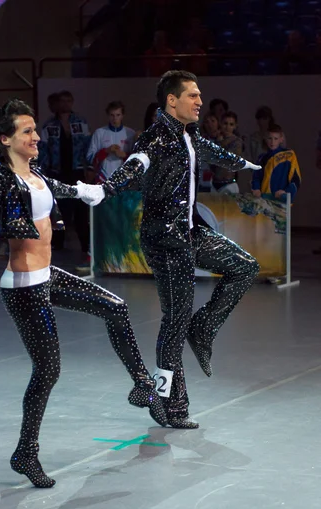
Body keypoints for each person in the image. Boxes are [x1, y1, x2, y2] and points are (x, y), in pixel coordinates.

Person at [0, 99, 167, 488]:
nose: (36, 137)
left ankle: (142, 386)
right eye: (27, 132)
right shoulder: (2, 178)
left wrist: (91, 192)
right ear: (6, 139)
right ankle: (26, 452)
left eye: (36, 130)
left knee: (116, 308)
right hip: (24, 288)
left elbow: (64, 189)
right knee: (48, 371)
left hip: (48, 275)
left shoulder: (36, 174)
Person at [99, 70, 261, 429]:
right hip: (164, 240)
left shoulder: (191, 134)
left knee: (245, 267)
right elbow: (134, 166)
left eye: (199, 95)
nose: (200, 101)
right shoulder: (155, 138)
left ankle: (202, 329)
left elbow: (212, 151)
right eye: (193, 95)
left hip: (189, 232)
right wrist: (107, 188)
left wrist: (244, 164)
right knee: (175, 320)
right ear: (172, 100)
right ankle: (170, 405)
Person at [38, 90, 92, 261]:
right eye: (62, 101)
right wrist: (43, 171)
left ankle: (86, 245)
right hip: (57, 172)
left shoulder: (81, 122)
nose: (65, 104)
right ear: (57, 103)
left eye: (69, 100)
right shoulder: (49, 125)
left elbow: (88, 146)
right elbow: (43, 150)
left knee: (81, 210)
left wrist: (89, 168)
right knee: (58, 209)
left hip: (77, 171)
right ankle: (57, 243)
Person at [86, 101, 135, 182]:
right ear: (108, 116)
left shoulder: (130, 133)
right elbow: (90, 158)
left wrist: (124, 155)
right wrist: (106, 151)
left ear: (122, 115)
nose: (115, 118)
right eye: (112, 115)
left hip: (124, 179)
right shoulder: (99, 132)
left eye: (118, 115)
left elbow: (136, 159)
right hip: (103, 178)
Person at [251, 124, 301, 201]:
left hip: (282, 198)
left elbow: (296, 178)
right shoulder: (261, 158)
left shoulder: (289, 155)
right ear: (265, 138)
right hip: (265, 199)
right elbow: (256, 177)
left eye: (276, 138)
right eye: (270, 138)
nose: (272, 142)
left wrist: (287, 191)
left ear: (281, 139)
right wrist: (256, 188)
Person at [211, 111, 243, 194]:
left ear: (235, 126)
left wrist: (220, 144)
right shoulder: (216, 139)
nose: (227, 127)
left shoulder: (237, 142)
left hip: (228, 184)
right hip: (214, 183)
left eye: (231, 124)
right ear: (220, 124)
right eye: (225, 123)